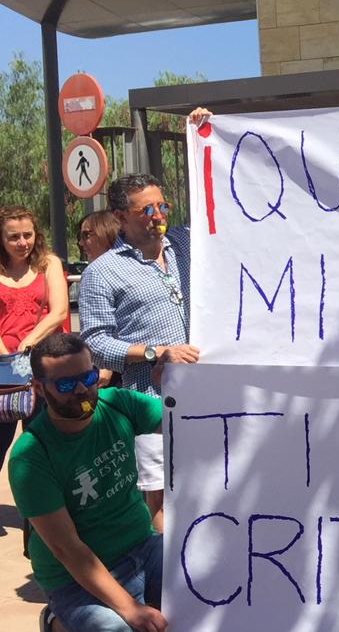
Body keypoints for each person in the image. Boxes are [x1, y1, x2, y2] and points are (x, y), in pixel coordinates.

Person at [7, 333, 166, 632]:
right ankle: (58, 623)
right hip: (74, 579)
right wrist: (131, 609)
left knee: (206, 586)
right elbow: (68, 549)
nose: (82, 390)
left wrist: (174, 386)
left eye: (89, 376)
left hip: (143, 547)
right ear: (39, 388)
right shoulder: (31, 455)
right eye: (66, 385)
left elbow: (186, 420)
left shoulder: (119, 404)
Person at [78, 173, 199, 533]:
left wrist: (203, 130)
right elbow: (97, 344)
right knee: (159, 497)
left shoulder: (188, 243)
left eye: (163, 205)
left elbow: (220, 206)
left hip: (210, 394)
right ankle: (165, 584)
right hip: (150, 401)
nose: (158, 215)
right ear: (120, 216)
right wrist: (155, 352)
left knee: (210, 483)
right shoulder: (102, 273)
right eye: (146, 209)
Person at [0, 206, 69, 469]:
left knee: (44, 442)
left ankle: (39, 509)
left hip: (44, 365)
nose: (22, 243)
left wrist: (28, 343)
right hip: (4, 366)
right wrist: (7, 356)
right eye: (13, 237)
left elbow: (60, 310)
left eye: (27, 235)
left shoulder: (49, 263)